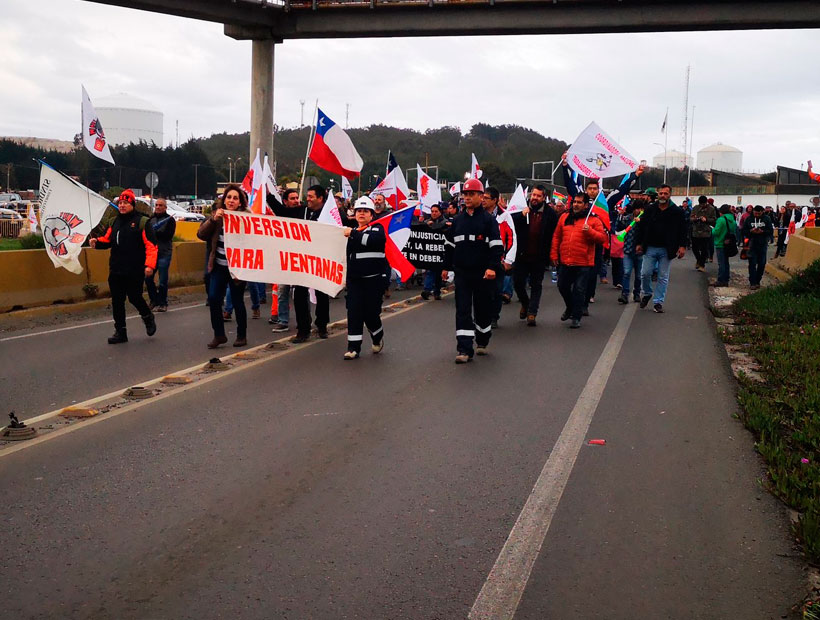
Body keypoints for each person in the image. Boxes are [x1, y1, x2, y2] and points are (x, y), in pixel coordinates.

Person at [442, 178, 503, 363]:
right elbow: (449, 246)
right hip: (462, 274)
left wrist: (492, 267)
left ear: (480, 196)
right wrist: (445, 267)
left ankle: (483, 340)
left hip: (483, 274)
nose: (467, 198)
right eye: (465, 194)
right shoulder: (457, 221)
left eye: (471, 194)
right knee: (462, 310)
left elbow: (496, 246)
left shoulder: (488, 221)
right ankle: (464, 348)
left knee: (483, 310)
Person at [89, 189, 157, 344]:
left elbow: (151, 246)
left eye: (125, 203)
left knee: (134, 297)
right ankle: (120, 331)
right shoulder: (115, 221)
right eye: (120, 203)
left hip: (134, 269)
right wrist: (96, 242)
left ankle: (148, 317)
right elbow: (107, 240)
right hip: (116, 268)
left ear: (132, 204)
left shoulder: (142, 222)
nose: (122, 205)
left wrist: (149, 266)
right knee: (117, 301)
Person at [197, 184, 249, 348]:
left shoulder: (247, 218)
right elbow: (201, 234)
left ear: (240, 202)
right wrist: (213, 220)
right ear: (224, 200)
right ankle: (219, 334)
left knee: (237, 301)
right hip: (218, 267)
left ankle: (241, 335)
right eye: (229, 197)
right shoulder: (217, 217)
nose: (231, 200)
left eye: (235, 198)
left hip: (237, 269)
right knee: (213, 299)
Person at [550, 193, 607, 329]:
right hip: (566, 261)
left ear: (586, 205)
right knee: (562, 286)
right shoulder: (564, 217)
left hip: (584, 262)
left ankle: (576, 317)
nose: (576, 204)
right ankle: (570, 307)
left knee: (579, 290)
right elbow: (557, 236)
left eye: (579, 202)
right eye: (575, 202)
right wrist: (554, 254)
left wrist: (590, 232)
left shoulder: (593, 220)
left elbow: (602, 238)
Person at [341, 196, 388, 360]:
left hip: (373, 280)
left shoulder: (377, 229)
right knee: (353, 313)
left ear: (371, 214)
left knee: (371, 314)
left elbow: (374, 241)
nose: (361, 214)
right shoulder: (349, 232)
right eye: (358, 211)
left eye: (365, 211)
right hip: (355, 280)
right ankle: (353, 348)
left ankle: (377, 336)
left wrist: (353, 233)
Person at [635, 184, 688, 313]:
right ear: (657, 194)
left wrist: (682, 246)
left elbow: (683, 230)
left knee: (663, 276)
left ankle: (658, 302)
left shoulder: (677, 212)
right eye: (661, 193)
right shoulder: (650, 209)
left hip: (667, 249)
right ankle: (647, 293)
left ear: (670, 195)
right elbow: (641, 226)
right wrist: (639, 243)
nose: (663, 196)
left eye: (665, 193)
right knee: (645, 273)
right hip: (650, 247)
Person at [511, 185, 558, 327]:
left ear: (543, 198)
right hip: (521, 254)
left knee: (536, 285)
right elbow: (510, 223)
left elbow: (554, 234)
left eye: (538, 196)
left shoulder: (550, 214)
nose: (535, 198)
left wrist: (552, 254)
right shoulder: (522, 208)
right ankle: (525, 303)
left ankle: (532, 312)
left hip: (539, 255)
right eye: (533, 195)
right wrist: (521, 215)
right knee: (518, 283)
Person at [268, 188, 301, 332]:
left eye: (297, 198)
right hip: (285, 259)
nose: (296, 201)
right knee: (282, 291)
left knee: (301, 293)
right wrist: (268, 195)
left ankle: (304, 321)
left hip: (301, 260)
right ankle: (283, 320)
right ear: (286, 201)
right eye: (292, 199)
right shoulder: (283, 215)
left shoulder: (304, 213)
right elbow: (278, 209)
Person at [145, 196, 176, 312]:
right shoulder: (150, 219)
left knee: (162, 280)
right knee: (148, 278)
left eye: (160, 205)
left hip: (164, 254)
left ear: (165, 207)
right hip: (152, 255)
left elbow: (168, 235)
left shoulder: (170, 220)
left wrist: (154, 232)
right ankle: (154, 300)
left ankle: (163, 302)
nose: (158, 207)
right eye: (156, 205)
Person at [617, 199, 646, 303]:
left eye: (640, 209)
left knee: (638, 275)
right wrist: (619, 215)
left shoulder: (645, 219)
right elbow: (618, 226)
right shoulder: (628, 218)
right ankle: (624, 294)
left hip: (640, 252)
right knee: (626, 272)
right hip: (628, 250)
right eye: (636, 209)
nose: (638, 211)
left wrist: (641, 223)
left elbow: (647, 232)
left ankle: (637, 293)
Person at [742, 204, 773, 290]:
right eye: (755, 213)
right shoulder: (749, 219)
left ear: (762, 212)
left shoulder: (767, 219)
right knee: (752, 264)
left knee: (762, 263)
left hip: (762, 243)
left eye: (758, 214)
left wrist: (762, 231)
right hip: (752, 244)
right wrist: (750, 231)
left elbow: (770, 230)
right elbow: (744, 230)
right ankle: (752, 282)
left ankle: (758, 280)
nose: (757, 215)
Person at [421, 204, 447, 300]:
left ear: (440, 212)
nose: (434, 213)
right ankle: (427, 290)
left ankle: (436, 291)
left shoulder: (445, 222)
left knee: (438, 273)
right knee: (431, 270)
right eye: (432, 211)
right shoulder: (427, 222)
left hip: (441, 252)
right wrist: (423, 225)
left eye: (436, 211)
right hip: (430, 252)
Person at [712, 204, 737, 287]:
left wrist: (712, 230)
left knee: (721, 263)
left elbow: (716, 232)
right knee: (726, 263)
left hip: (720, 243)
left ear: (721, 212)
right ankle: (726, 279)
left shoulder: (721, 220)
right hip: (729, 244)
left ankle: (720, 280)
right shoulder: (732, 220)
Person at [690, 195, 717, 272]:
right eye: (701, 204)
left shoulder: (711, 209)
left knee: (704, 249)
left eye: (703, 204)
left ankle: (702, 265)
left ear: (706, 202)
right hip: (696, 230)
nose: (702, 206)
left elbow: (714, 220)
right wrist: (695, 219)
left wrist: (706, 219)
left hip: (706, 231)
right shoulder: (695, 208)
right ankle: (698, 260)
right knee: (694, 248)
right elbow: (691, 218)